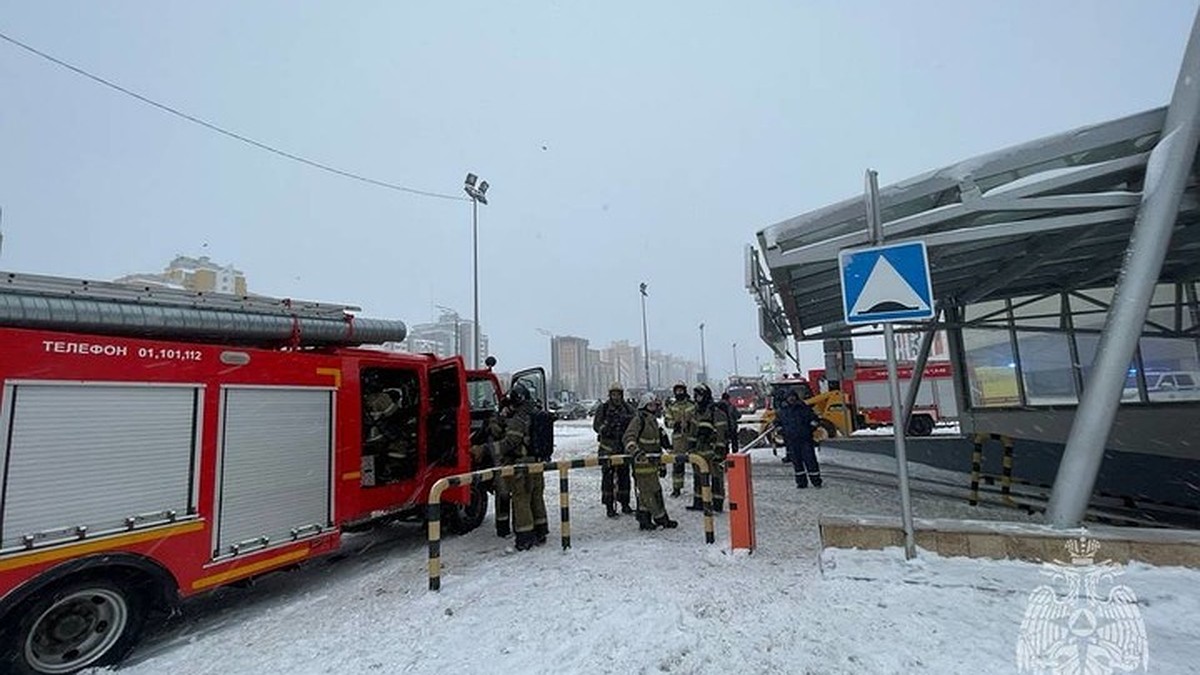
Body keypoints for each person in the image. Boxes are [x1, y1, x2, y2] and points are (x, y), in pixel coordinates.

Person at [478, 382, 548, 550]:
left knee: (521, 499)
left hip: (522, 465)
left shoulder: (519, 418)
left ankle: (524, 538)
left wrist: (486, 449)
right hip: (536, 462)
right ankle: (541, 531)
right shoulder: (535, 412)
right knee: (536, 497)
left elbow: (510, 442)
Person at [623, 392, 678, 530]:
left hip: (652, 465)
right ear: (644, 405)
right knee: (651, 492)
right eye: (651, 405)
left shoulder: (652, 421)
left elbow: (656, 446)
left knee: (647, 492)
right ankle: (661, 518)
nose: (654, 407)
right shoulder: (639, 420)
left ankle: (644, 519)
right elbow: (628, 438)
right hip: (642, 465)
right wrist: (635, 451)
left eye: (655, 405)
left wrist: (662, 464)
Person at [592, 382, 636, 517]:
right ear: (610, 395)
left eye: (618, 394)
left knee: (624, 478)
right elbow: (596, 426)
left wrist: (626, 423)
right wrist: (607, 427)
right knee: (608, 479)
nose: (615, 397)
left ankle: (625, 504)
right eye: (613, 394)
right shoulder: (603, 409)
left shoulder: (628, 408)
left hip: (622, 449)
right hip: (607, 449)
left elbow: (635, 423)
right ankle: (609, 506)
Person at [685, 383, 729, 512]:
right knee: (698, 478)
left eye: (699, 395)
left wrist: (720, 451)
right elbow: (692, 432)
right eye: (696, 395)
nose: (697, 398)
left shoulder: (716, 412)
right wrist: (691, 448)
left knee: (716, 478)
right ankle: (699, 502)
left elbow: (721, 433)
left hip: (713, 452)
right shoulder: (696, 413)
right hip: (699, 452)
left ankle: (717, 503)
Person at [775, 390, 823, 488]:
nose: (791, 399)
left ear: (796, 397)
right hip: (791, 441)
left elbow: (815, 419)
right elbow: (777, 423)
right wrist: (781, 430)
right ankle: (801, 482)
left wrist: (811, 428)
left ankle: (816, 481)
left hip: (805, 439)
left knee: (810, 461)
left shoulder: (804, 408)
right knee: (797, 463)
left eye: (793, 396)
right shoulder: (782, 411)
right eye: (789, 397)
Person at [663, 381, 695, 498]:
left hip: (691, 437)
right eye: (677, 391)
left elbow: (697, 417)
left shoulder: (692, 405)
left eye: (681, 390)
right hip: (678, 439)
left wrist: (691, 424)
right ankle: (677, 488)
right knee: (677, 464)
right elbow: (667, 420)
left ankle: (700, 487)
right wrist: (675, 424)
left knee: (697, 462)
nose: (679, 393)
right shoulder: (672, 406)